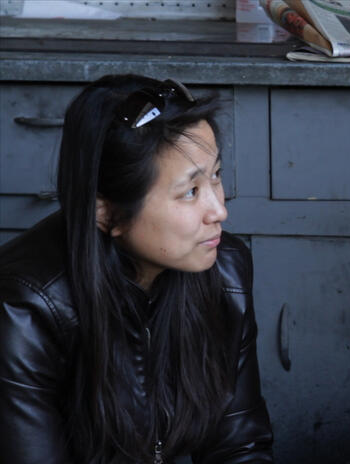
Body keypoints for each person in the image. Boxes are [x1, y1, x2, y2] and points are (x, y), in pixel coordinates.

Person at [0, 74, 274, 462]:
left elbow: (240, 448)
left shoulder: (224, 270)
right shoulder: (24, 308)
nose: (219, 211)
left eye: (215, 175)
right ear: (106, 212)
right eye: (190, 191)